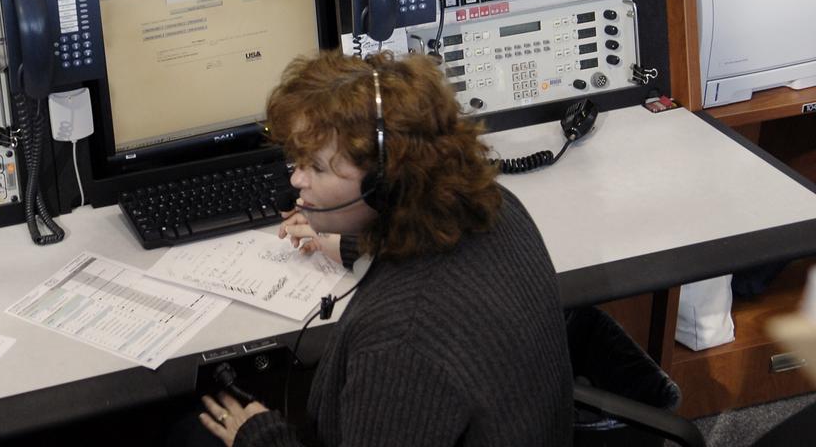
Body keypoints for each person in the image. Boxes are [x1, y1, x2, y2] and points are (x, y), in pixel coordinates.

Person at [198, 51, 573, 447]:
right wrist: (348, 242)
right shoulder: (496, 205)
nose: (296, 180)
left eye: (316, 167)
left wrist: (262, 439)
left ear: (383, 184)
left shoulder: (399, 342)